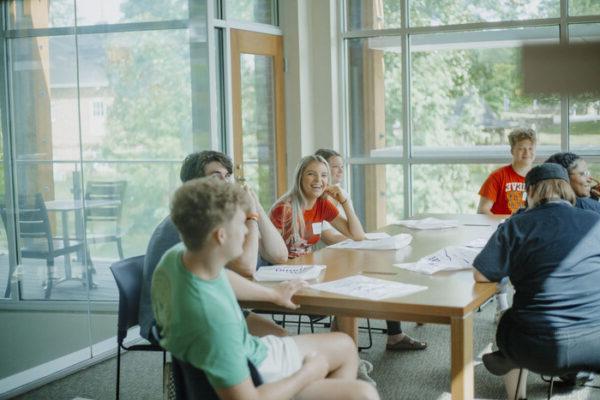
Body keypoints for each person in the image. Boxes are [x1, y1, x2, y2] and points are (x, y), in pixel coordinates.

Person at [152, 177, 380, 400]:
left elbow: (223, 277)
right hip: (256, 373)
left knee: (345, 344)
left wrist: (274, 294)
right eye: (242, 223)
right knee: (364, 393)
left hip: (247, 351)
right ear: (220, 236)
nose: (247, 231)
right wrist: (307, 374)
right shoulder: (215, 322)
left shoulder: (177, 259)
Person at [473, 163, 600, 399]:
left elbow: (482, 274)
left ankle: (516, 394)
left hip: (537, 347)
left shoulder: (516, 225)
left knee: (509, 318)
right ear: (567, 190)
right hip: (596, 341)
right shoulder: (595, 220)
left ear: (530, 193)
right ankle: (572, 369)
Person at [139, 150, 289, 341]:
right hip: (175, 318)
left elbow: (279, 255)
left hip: (206, 305)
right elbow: (246, 268)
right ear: (195, 184)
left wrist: (256, 205)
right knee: (281, 339)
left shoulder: (214, 216)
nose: (227, 184)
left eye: (228, 177)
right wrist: (251, 216)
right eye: (216, 177)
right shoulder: (194, 221)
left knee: (281, 336)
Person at [314, 149, 427, 352]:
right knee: (378, 269)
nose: (340, 170)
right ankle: (347, 346)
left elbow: (355, 230)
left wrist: (361, 239)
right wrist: (360, 241)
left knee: (387, 266)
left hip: (348, 250)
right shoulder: (317, 198)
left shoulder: (340, 192)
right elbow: (328, 237)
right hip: (329, 257)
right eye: (334, 166)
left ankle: (394, 333)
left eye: (342, 166)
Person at [269, 155, 365, 258]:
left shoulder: (322, 204)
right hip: (282, 269)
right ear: (300, 178)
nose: (318, 180)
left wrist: (344, 202)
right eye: (311, 174)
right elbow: (270, 251)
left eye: (324, 175)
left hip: (306, 266)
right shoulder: (284, 208)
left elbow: (357, 235)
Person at [477, 128, 537, 216]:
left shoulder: (541, 178)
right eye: (521, 148)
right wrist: (503, 226)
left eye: (530, 148)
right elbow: (483, 210)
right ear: (512, 151)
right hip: (502, 227)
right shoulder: (497, 177)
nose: (527, 152)